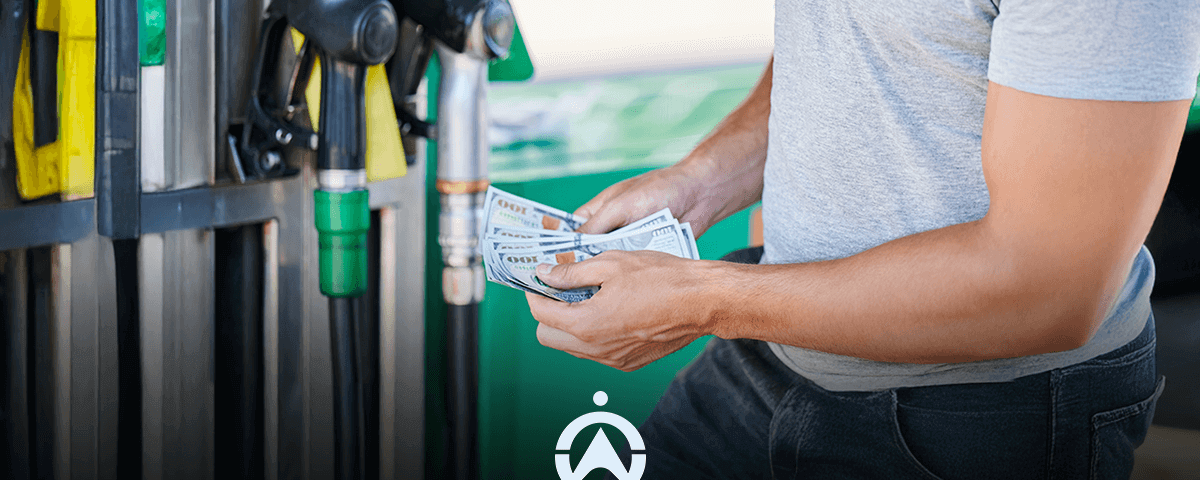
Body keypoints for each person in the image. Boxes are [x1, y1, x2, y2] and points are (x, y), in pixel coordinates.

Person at [525, 0, 1200, 478]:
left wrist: (706, 300)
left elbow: (1045, 288)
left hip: (976, 417)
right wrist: (701, 182)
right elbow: (846, 37)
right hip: (771, 354)